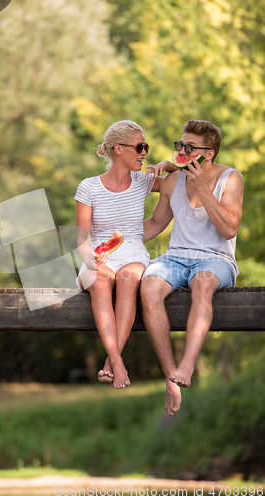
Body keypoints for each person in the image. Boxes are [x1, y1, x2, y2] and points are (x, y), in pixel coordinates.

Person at [141, 119, 244, 414]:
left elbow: (229, 230)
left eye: (189, 147)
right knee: (148, 285)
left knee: (202, 282)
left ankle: (187, 365)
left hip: (216, 258)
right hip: (175, 257)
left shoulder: (231, 179)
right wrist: (115, 235)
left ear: (208, 153)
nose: (182, 151)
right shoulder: (174, 181)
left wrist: (202, 188)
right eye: (180, 146)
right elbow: (156, 224)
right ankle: (170, 375)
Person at [75, 120, 174, 389]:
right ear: (118, 149)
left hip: (133, 250)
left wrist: (168, 165)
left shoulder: (144, 181)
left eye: (146, 147)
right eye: (139, 146)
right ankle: (118, 363)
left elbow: (182, 179)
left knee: (130, 278)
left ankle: (111, 361)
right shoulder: (89, 187)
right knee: (100, 282)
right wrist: (90, 260)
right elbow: (82, 239)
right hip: (98, 252)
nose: (144, 153)